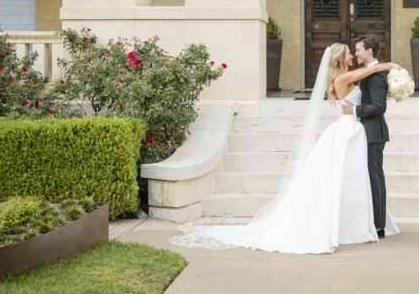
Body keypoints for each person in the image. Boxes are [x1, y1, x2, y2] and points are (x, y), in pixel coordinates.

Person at [171, 42, 399, 254]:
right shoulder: (344, 77)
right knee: (346, 176)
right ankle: (352, 224)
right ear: (340, 59)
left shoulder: (345, 76)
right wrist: (389, 66)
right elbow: (370, 70)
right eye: (349, 53)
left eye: (355, 51)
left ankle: (353, 222)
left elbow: (368, 76)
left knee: (351, 177)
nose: (353, 56)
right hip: (348, 129)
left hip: (353, 129)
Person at [341, 35, 389, 239]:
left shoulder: (376, 76)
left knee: (375, 177)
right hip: (365, 132)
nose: (356, 53)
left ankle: (379, 226)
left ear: (369, 51)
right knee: (369, 177)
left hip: (374, 133)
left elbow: (379, 106)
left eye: (359, 50)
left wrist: (355, 110)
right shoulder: (368, 72)